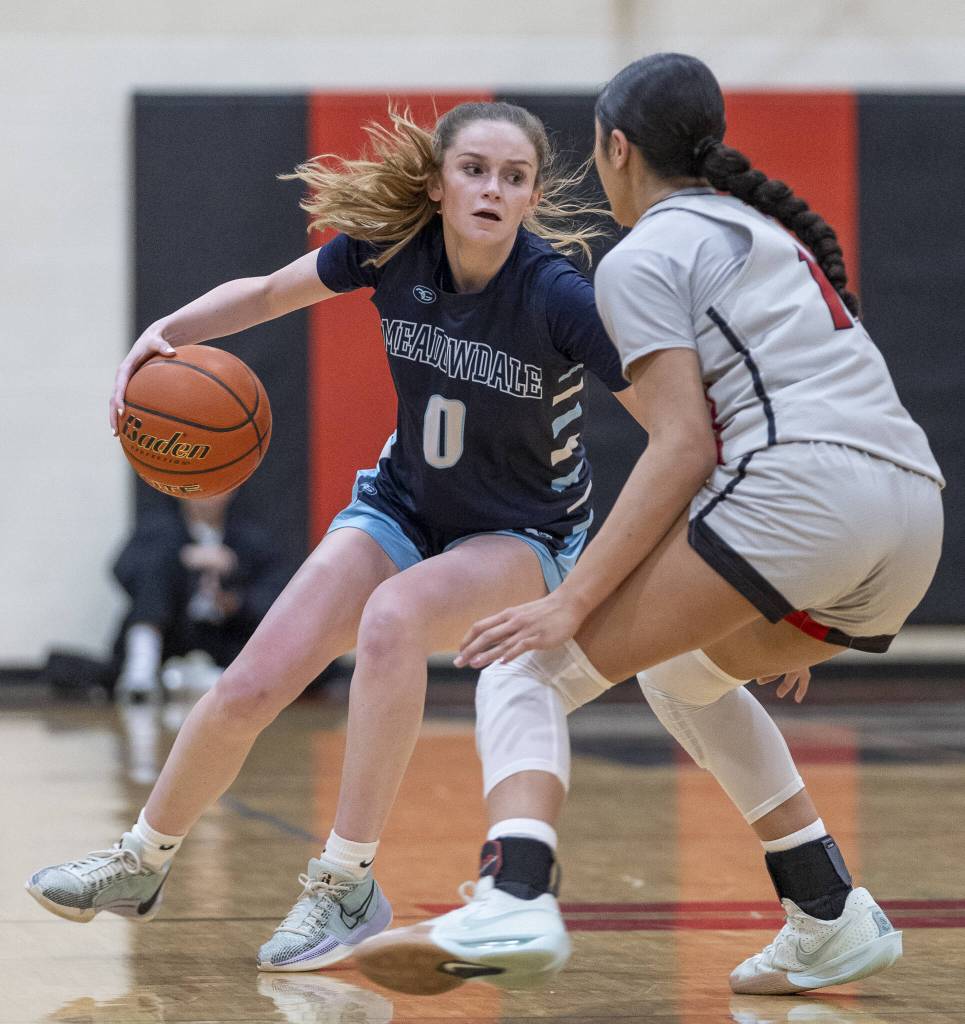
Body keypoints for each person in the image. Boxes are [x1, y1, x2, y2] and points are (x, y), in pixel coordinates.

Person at [354, 53, 944, 998]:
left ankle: (516, 891)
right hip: (910, 512)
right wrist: (781, 581)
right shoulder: (766, 230)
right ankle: (826, 910)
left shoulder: (644, 255)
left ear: (616, 148)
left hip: (799, 497)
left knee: (523, 664)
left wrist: (572, 600)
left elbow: (682, 448)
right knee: (682, 673)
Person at [25, 101, 636, 974]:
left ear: (532, 195)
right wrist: (165, 335)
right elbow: (272, 293)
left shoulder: (557, 297)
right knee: (250, 683)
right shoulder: (395, 250)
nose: (492, 189)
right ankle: (140, 860)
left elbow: (668, 420)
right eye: (474, 170)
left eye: (513, 177)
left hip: (523, 530)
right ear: (437, 181)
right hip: (405, 503)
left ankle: (345, 882)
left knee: (390, 620)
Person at [112, 491, 290, 701]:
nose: (207, 493)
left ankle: (208, 677)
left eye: (215, 484)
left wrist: (234, 592)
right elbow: (123, 569)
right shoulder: (158, 529)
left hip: (224, 635)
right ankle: (141, 670)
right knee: (154, 566)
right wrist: (180, 559)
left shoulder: (250, 535)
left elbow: (277, 592)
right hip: (172, 631)